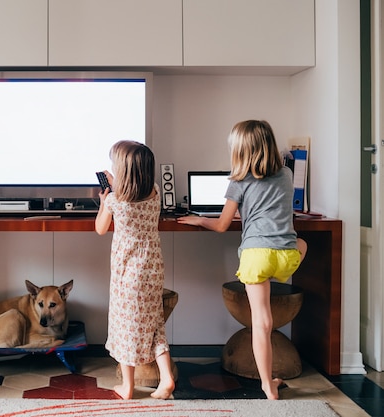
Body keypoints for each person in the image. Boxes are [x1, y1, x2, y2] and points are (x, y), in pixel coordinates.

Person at [178, 120, 307, 400]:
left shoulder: (238, 181)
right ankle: (270, 381)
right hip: (285, 255)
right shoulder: (286, 174)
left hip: (256, 257)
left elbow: (223, 225)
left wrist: (200, 220)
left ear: (240, 151)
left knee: (261, 323)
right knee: (303, 243)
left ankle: (266, 385)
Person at [95, 140, 175, 400]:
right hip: (152, 269)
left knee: (124, 325)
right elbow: (134, 191)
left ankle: (128, 387)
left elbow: (100, 228)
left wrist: (103, 200)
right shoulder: (154, 192)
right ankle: (167, 379)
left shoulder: (116, 202)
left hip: (127, 274)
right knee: (154, 324)